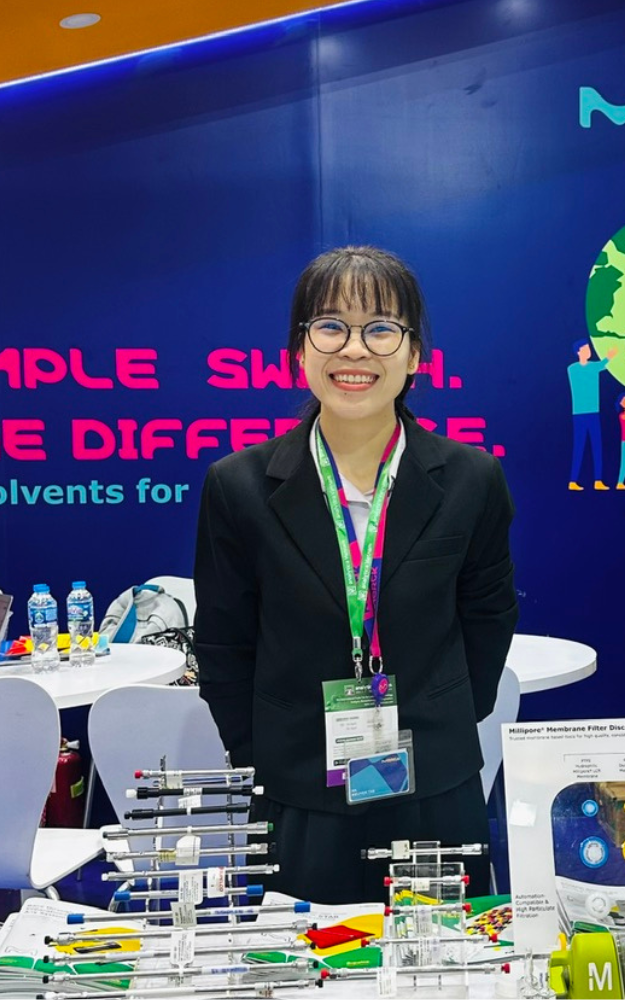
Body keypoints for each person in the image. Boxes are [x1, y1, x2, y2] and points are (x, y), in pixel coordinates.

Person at [193, 246, 518, 904]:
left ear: (415, 353)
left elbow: (489, 619)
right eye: (331, 326)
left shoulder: (471, 479)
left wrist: (437, 719)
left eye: (380, 329)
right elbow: (224, 642)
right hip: (296, 790)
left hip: (435, 784)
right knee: (304, 955)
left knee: (445, 954)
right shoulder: (239, 486)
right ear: (299, 349)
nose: (354, 349)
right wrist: (267, 754)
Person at [568, 339, 618, 491]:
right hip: (579, 414)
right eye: (585, 349)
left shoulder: (593, 367)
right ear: (578, 352)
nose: (588, 351)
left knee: (597, 446)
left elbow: (603, 364)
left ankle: (598, 480)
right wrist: (608, 357)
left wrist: (610, 356)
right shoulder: (573, 369)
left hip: (593, 412)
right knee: (579, 446)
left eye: (589, 349)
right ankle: (573, 481)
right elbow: (601, 365)